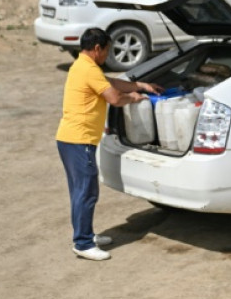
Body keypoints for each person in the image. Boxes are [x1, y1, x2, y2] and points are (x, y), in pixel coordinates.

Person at [55, 28, 163, 261]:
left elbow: (111, 82)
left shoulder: (83, 66)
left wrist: (140, 86)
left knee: (80, 191)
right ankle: (83, 243)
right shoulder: (88, 69)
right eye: (107, 50)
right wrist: (134, 99)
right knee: (86, 192)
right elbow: (114, 97)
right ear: (97, 49)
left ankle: (86, 235)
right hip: (78, 140)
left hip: (71, 139)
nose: (107, 55)